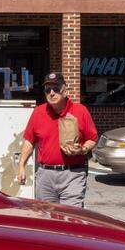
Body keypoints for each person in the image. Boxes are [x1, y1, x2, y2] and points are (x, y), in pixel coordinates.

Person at [17, 72, 98, 207]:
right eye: (48, 90)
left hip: (73, 174)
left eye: (56, 88)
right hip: (45, 175)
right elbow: (29, 141)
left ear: (64, 90)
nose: (52, 93)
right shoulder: (38, 112)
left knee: (71, 218)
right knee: (46, 219)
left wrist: (82, 149)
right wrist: (21, 166)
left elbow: (92, 138)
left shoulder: (80, 111)